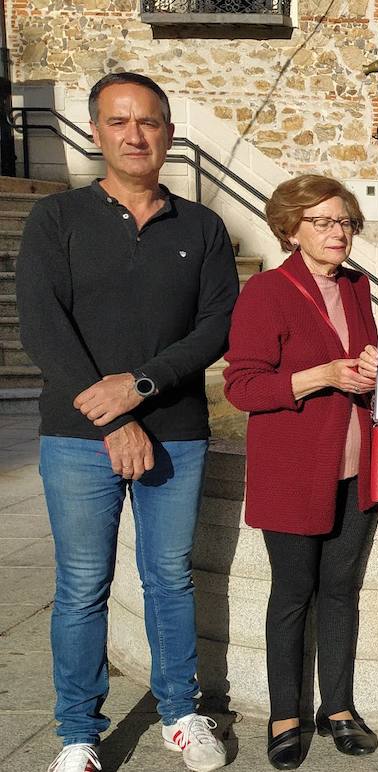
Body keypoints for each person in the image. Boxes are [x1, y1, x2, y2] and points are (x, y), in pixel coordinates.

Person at [16, 72, 237, 772]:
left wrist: (141, 386)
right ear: (96, 132)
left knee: (169, 579)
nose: (134, 135)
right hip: (79, 434)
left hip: (176, 428)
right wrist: (113, 418)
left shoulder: (202, 228)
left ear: (169, 134)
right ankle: (78, 733)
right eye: (119, 122)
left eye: (148, 122)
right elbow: (42, 326)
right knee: (82, 584)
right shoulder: (57, 220)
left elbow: (216, 327)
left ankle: (179, 714)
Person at [222, 174, 378, 769]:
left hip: (353, 467)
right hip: (293, 470)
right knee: (292, 595)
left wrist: (372, 363)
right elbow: (241, 386)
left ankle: (336, 707)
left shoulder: (360, 288)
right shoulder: (267, 291)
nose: (337, 231)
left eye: (343, 221)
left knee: (341, 591)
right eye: (322, 221)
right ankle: (284, 713)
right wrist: (322, 375)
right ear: (291, 229)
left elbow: (365, 363)